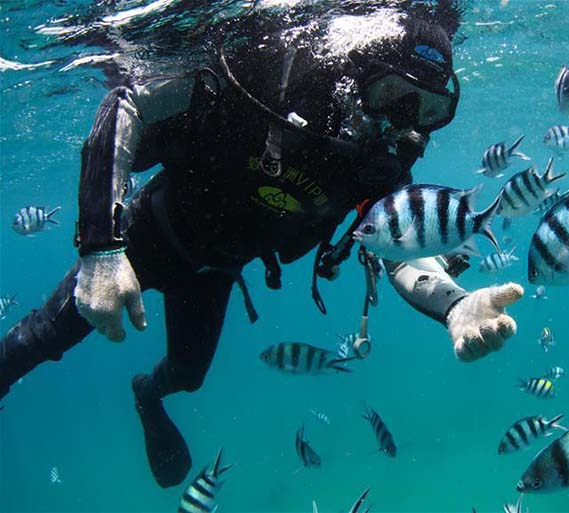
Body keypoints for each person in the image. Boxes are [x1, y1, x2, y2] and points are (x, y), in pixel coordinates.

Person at [0, 1, 523, 488]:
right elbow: (126, 105)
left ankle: (146, 394)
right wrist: (101, 248)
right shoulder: (261, 77)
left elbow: (401, 248)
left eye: (429, 110)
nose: (403, 121)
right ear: (358, 74)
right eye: (392, 94)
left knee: (187, 376)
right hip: (144, 238)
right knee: (42, 339)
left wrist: (454, 303)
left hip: (216, 273)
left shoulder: (376, 162)